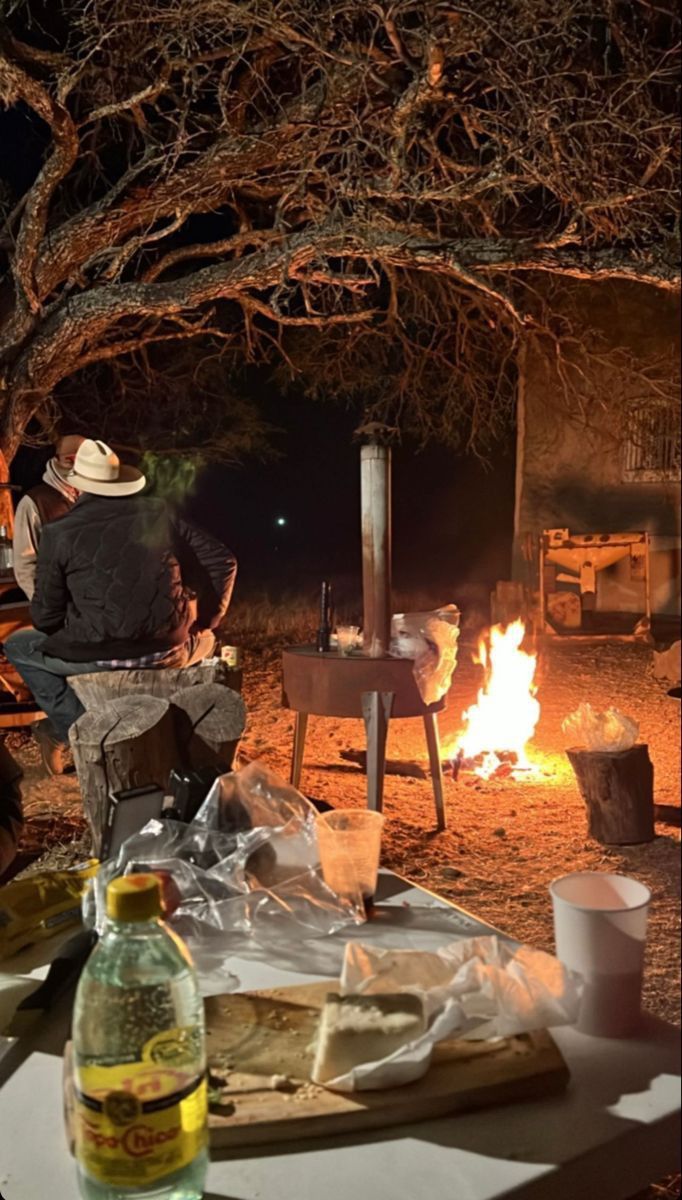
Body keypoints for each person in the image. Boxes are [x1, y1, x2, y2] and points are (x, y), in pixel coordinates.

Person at [4, 439, 237, 774]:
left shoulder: (59, 532)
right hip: (167, 650)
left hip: (93, 655)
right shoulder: (158, 514)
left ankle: (80, 727)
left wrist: (77, 632)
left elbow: (45, 616)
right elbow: (224, 561)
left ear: (78, 483)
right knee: (209, 640)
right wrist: (208, 620)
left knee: (17, 646)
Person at [12, 434, 85, 599]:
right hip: (57, 601)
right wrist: (45, 606)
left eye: (81, 461)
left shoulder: (93, 497)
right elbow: (25, 564)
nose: (75, 467)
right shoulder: (34, 502)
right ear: (57, 459)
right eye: (70, 460)